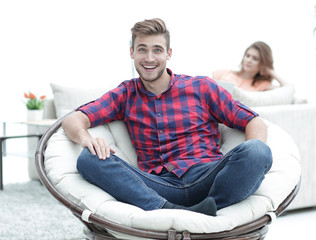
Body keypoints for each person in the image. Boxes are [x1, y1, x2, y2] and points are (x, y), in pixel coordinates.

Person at [62, 18, 272, 217]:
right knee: (88, 159)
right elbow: (73, 119)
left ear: (168, 53)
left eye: (157, 50)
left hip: (208, 178)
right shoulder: (125, 95)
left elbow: (253, 121)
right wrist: (86, 140)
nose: (150, 58)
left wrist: (245, 166)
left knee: (257, 151)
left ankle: (211, 207)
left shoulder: (201, 87)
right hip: (158, 186)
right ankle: (168, 210)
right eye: (142, 49)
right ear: (132, 52)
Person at [212, 41, 287, 91]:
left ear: (263, 64)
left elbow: (287, 89)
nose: (249, 60)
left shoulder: (261, 84)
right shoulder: (222, 73)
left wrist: (270, 71)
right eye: (247, 56)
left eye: (255, 58)